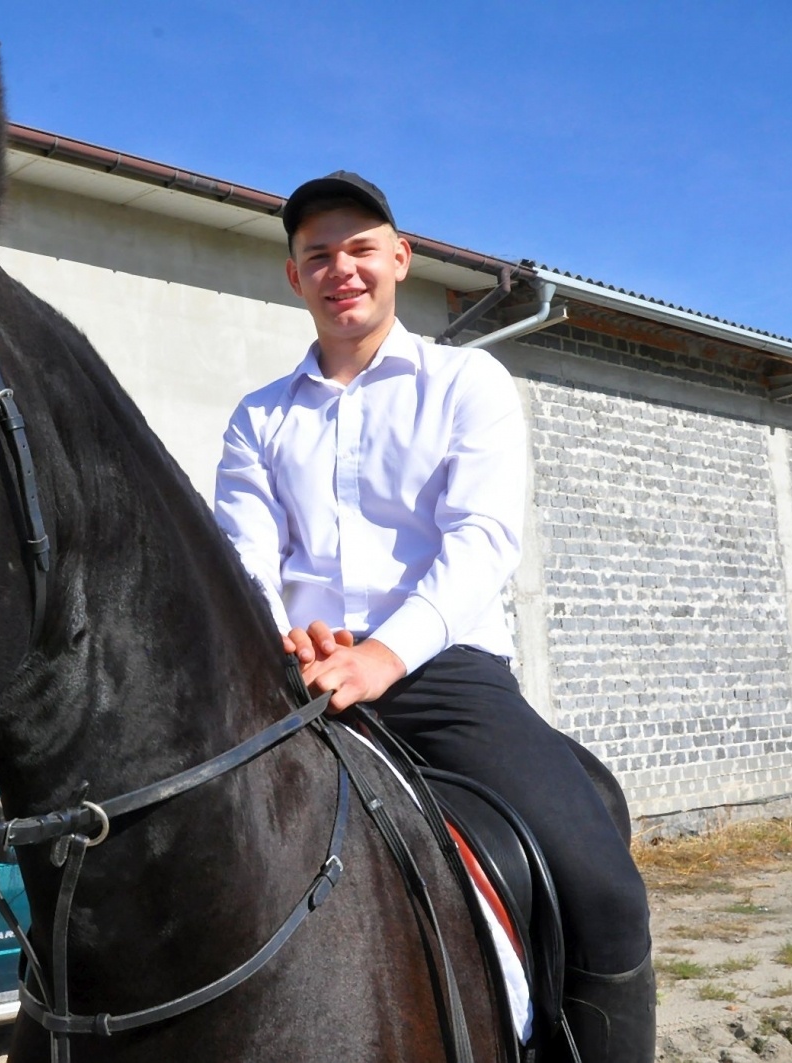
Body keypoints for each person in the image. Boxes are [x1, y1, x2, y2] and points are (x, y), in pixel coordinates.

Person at [213, 172, 654, 1063]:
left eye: (361, 247)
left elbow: (482, 542)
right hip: (293, 680)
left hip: (443, 675)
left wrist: (382, 653)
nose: (343, 268)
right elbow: (242, 556)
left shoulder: (466, 382)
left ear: (401, 258)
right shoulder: (258, 418)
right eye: (318, 255)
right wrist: (279, 644)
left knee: (605, 889)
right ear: (294, 278)